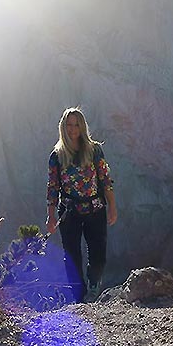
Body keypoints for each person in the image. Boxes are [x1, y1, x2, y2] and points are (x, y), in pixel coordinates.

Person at [46, 107, 117, 302]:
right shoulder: (57, 155)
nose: (73, 129)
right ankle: (78, 294)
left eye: (76, 124)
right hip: (69, 212)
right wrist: (51, 216)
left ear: (82, 126)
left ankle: (93, 287)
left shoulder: (94, 150)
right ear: (63, 127)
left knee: (98, 253)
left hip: (95, 208)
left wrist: (112, 206)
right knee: (71, 255)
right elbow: (53, 187)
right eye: (69, 125)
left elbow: (105, 179)